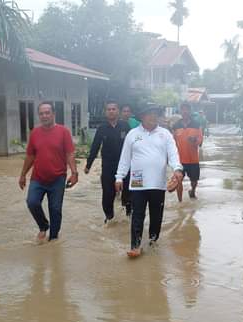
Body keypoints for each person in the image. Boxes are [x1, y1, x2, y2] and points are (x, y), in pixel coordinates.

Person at [115, 103, 183, 258]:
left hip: (158, 184)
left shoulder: (165, 134)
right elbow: (125, 158)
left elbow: (173, 154)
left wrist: (177, 169)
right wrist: (119, 177)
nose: (153, 116)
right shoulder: (132, 134)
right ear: (142, 117)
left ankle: (153, 241)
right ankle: (135, 246)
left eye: (156, 113)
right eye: (150, 113)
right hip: (138, 183)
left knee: (156, 216)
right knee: (137, 214)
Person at [19, 102, 79, 242]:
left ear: (53, 114)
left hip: (58, 178)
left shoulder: (63, 132)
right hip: (38, 178)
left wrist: (74, 173)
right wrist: (22, 175)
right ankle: (43, 226)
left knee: (55, 209)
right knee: (32, 202)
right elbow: (30, 156)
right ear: (39, 115)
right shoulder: (35, 133)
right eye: (41, 113)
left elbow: (70, 154)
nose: (44, 116)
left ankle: (53, 239)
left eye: (47, 113)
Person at [85, 101, 132, 222]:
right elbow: (95, 147)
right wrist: (88, 165)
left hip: (126, 166)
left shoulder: (125, 126)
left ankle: (128, 216)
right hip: (108, 167)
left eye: (114, 109)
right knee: (107, 193)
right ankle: (109, 217)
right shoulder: (102, 128)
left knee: (129, 192)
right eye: (109, 109)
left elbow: (134, 145)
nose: (111, 111)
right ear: (106, 112)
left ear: (118, 111)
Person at [173, 102, 204, 202]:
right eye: (183, 109)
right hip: (180, 160)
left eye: (187, 109)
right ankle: (180, 202)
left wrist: (194, 140)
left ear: (190, 111)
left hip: (193, 159)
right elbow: (172, 143)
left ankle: (193, 191)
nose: (185, 111)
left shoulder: (196, 124)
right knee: (178, 181)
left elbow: (200, 141)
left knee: (194, 181)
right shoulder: (176, 126)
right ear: (180, 111)